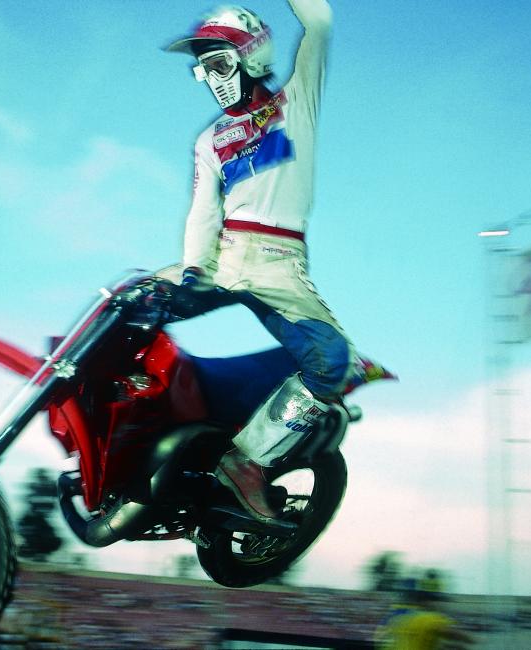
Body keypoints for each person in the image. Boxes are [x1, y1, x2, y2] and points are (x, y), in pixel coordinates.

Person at [165, 1, 393, 523]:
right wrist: (193, 270)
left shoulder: (298, 102)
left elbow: (320, 23)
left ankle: (245, 462)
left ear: (250, 55)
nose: (210, 79)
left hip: (278, 262)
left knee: (335, 361)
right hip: (223, 256)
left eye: (218, 63)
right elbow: (203, 211)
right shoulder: (209, 139)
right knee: (134, 300)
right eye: (203, 68)